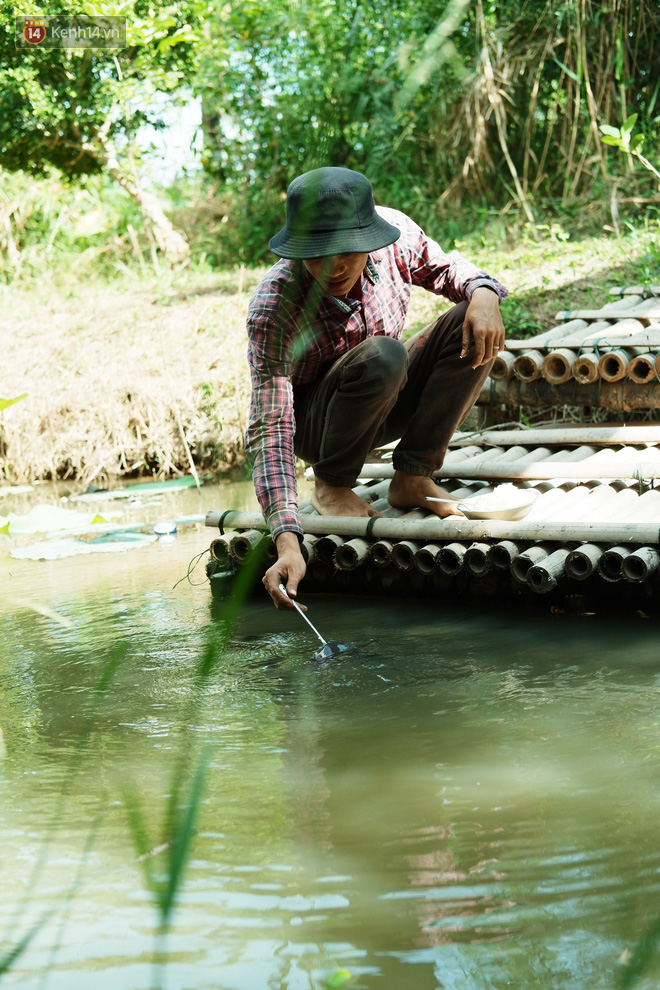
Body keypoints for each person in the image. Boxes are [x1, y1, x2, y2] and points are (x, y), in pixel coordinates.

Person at [245, 166, 507, 610]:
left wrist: (484, 293)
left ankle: (412, 476)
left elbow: (448, 268)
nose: (335, 264)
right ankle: (331, 485)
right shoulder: (274, 306)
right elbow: (270, 429)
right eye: (318, 252)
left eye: (348, 249)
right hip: (319, 426)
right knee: (383, 354)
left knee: (471, 319)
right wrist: (288, 542)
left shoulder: (395, 237)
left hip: (384, 395)